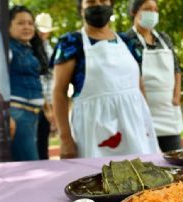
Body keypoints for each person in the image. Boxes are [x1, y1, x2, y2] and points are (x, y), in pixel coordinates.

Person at [52, 0, 159, 158]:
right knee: (96, 178)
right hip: (94, 128)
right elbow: (59, 92)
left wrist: (146, 121)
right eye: (91, 1)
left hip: (135, 124)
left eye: (103, 0)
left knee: (143, 174)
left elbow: (139, 85)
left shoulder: (128, 41)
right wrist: (65, 138)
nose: (98, 4)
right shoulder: (71, 43)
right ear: (81, 9)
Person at [124, 0, 183, 152]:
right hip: (142, 110)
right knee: (147, 162)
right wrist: (142, 104)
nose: (153, 13)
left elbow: (177, 69)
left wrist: (176, 96)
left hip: (168, 110)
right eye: (148, 9)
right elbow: (129, 74)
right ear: (134, 12)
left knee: (175, 158)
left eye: (155, 10)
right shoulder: (127, 40)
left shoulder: (164, 39)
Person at [8, 5, 49, 161]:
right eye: (21, 23)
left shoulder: (30, 49)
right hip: (17, 114)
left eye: (30, 23)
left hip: (33, 114)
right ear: (9, 26)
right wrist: (5, 115)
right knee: (30, 165)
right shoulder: (7, 49)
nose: (27, 27)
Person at [35, 13, 58, 160]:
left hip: (49, 103)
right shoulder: (33, 48)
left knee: (43, 145)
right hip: (38, 104)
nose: (43, 32)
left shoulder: (48, 47)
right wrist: (47, 108)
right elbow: (40, 81)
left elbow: (52, 79)